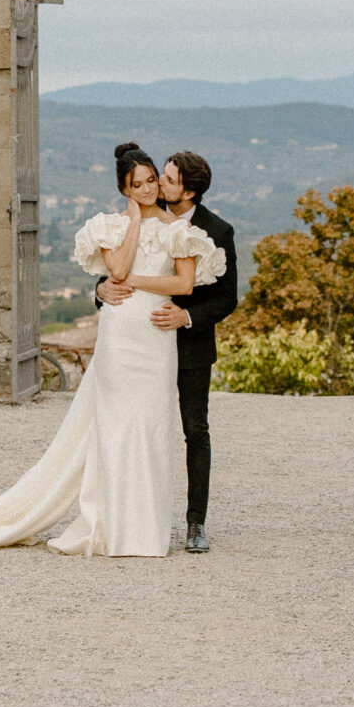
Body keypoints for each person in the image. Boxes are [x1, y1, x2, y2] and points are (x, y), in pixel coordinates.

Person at [0, 141, 225, 557]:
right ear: (125, 189)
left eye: (153, 181)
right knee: (115, 430)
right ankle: (109, 526)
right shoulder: (109, 225)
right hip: (121, 337)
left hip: (159, 342)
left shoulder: (186, 233)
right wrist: (134, 225)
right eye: (138, 184)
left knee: (153, 430)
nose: (149, 187)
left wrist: (137, 282)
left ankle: (150, 529)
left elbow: (183, 285)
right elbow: (118, 270)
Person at [97, 151, 237, 553]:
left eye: (168, 180)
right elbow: (113, 273)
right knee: (135, 426)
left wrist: (187, 317)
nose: (158, 185)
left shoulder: (217, 230)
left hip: (189, 345)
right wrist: (100, 289)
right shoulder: (143, 215)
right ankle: (129, 516)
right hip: (139, 344)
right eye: (160, 177)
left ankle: (195, 523)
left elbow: (227, 299)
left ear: (188, 191)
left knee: (195, 430)